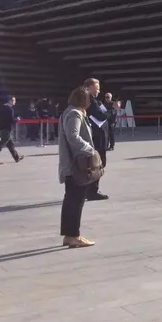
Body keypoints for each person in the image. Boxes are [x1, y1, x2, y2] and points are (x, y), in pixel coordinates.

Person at [58, 87, 100, 248]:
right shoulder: (75, 113)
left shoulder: (69, 111)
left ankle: (69, 235)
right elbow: (73, 136)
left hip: (72, 164)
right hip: (76, 165)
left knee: (71, 200)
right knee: (76, 200)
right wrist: (90, 149)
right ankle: (73, 236)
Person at [82, 78, 109, 201]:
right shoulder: (90, 101)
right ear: (90, 87)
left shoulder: (95, 100)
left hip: (99, 136)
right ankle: (92, 191)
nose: (99, 90)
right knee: (97, 164)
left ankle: (91, 190)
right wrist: (111, 109)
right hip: (96, 137)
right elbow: (102, 115)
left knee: (99, 163)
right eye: (97, 88)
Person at [0, 96, 23, 165]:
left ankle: (16, 157)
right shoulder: (10, 109)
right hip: (6, 129)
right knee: (1, 144)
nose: (15, 102)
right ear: (10, 101)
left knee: (10, 144)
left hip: (1, 128)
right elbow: (12, 121)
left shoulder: (1, 108)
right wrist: (17, 120)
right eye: (14, 100)